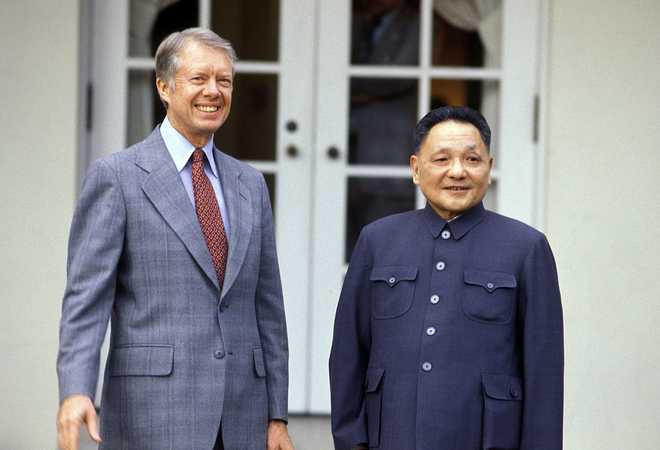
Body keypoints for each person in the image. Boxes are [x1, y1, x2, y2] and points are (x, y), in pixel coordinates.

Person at [56, 28, 293, 450]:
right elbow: (85, 300)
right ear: (164, 87)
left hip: (242, 417)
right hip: (151, 413)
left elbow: (268, 308)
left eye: (224, 80)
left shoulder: (249, 184)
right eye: (199, 78)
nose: (214, 91)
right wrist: (76, 389)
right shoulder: (117, 177)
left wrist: (277, 415)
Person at [329, 106, 563, 450]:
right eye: (441, 159)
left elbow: (544, 376)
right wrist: (352, 442)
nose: (458, 172)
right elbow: (348, 354)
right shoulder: (377, 241)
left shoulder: (526, 248)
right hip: (392, 437)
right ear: (415, 168)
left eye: (472, 159)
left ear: (489, 167)